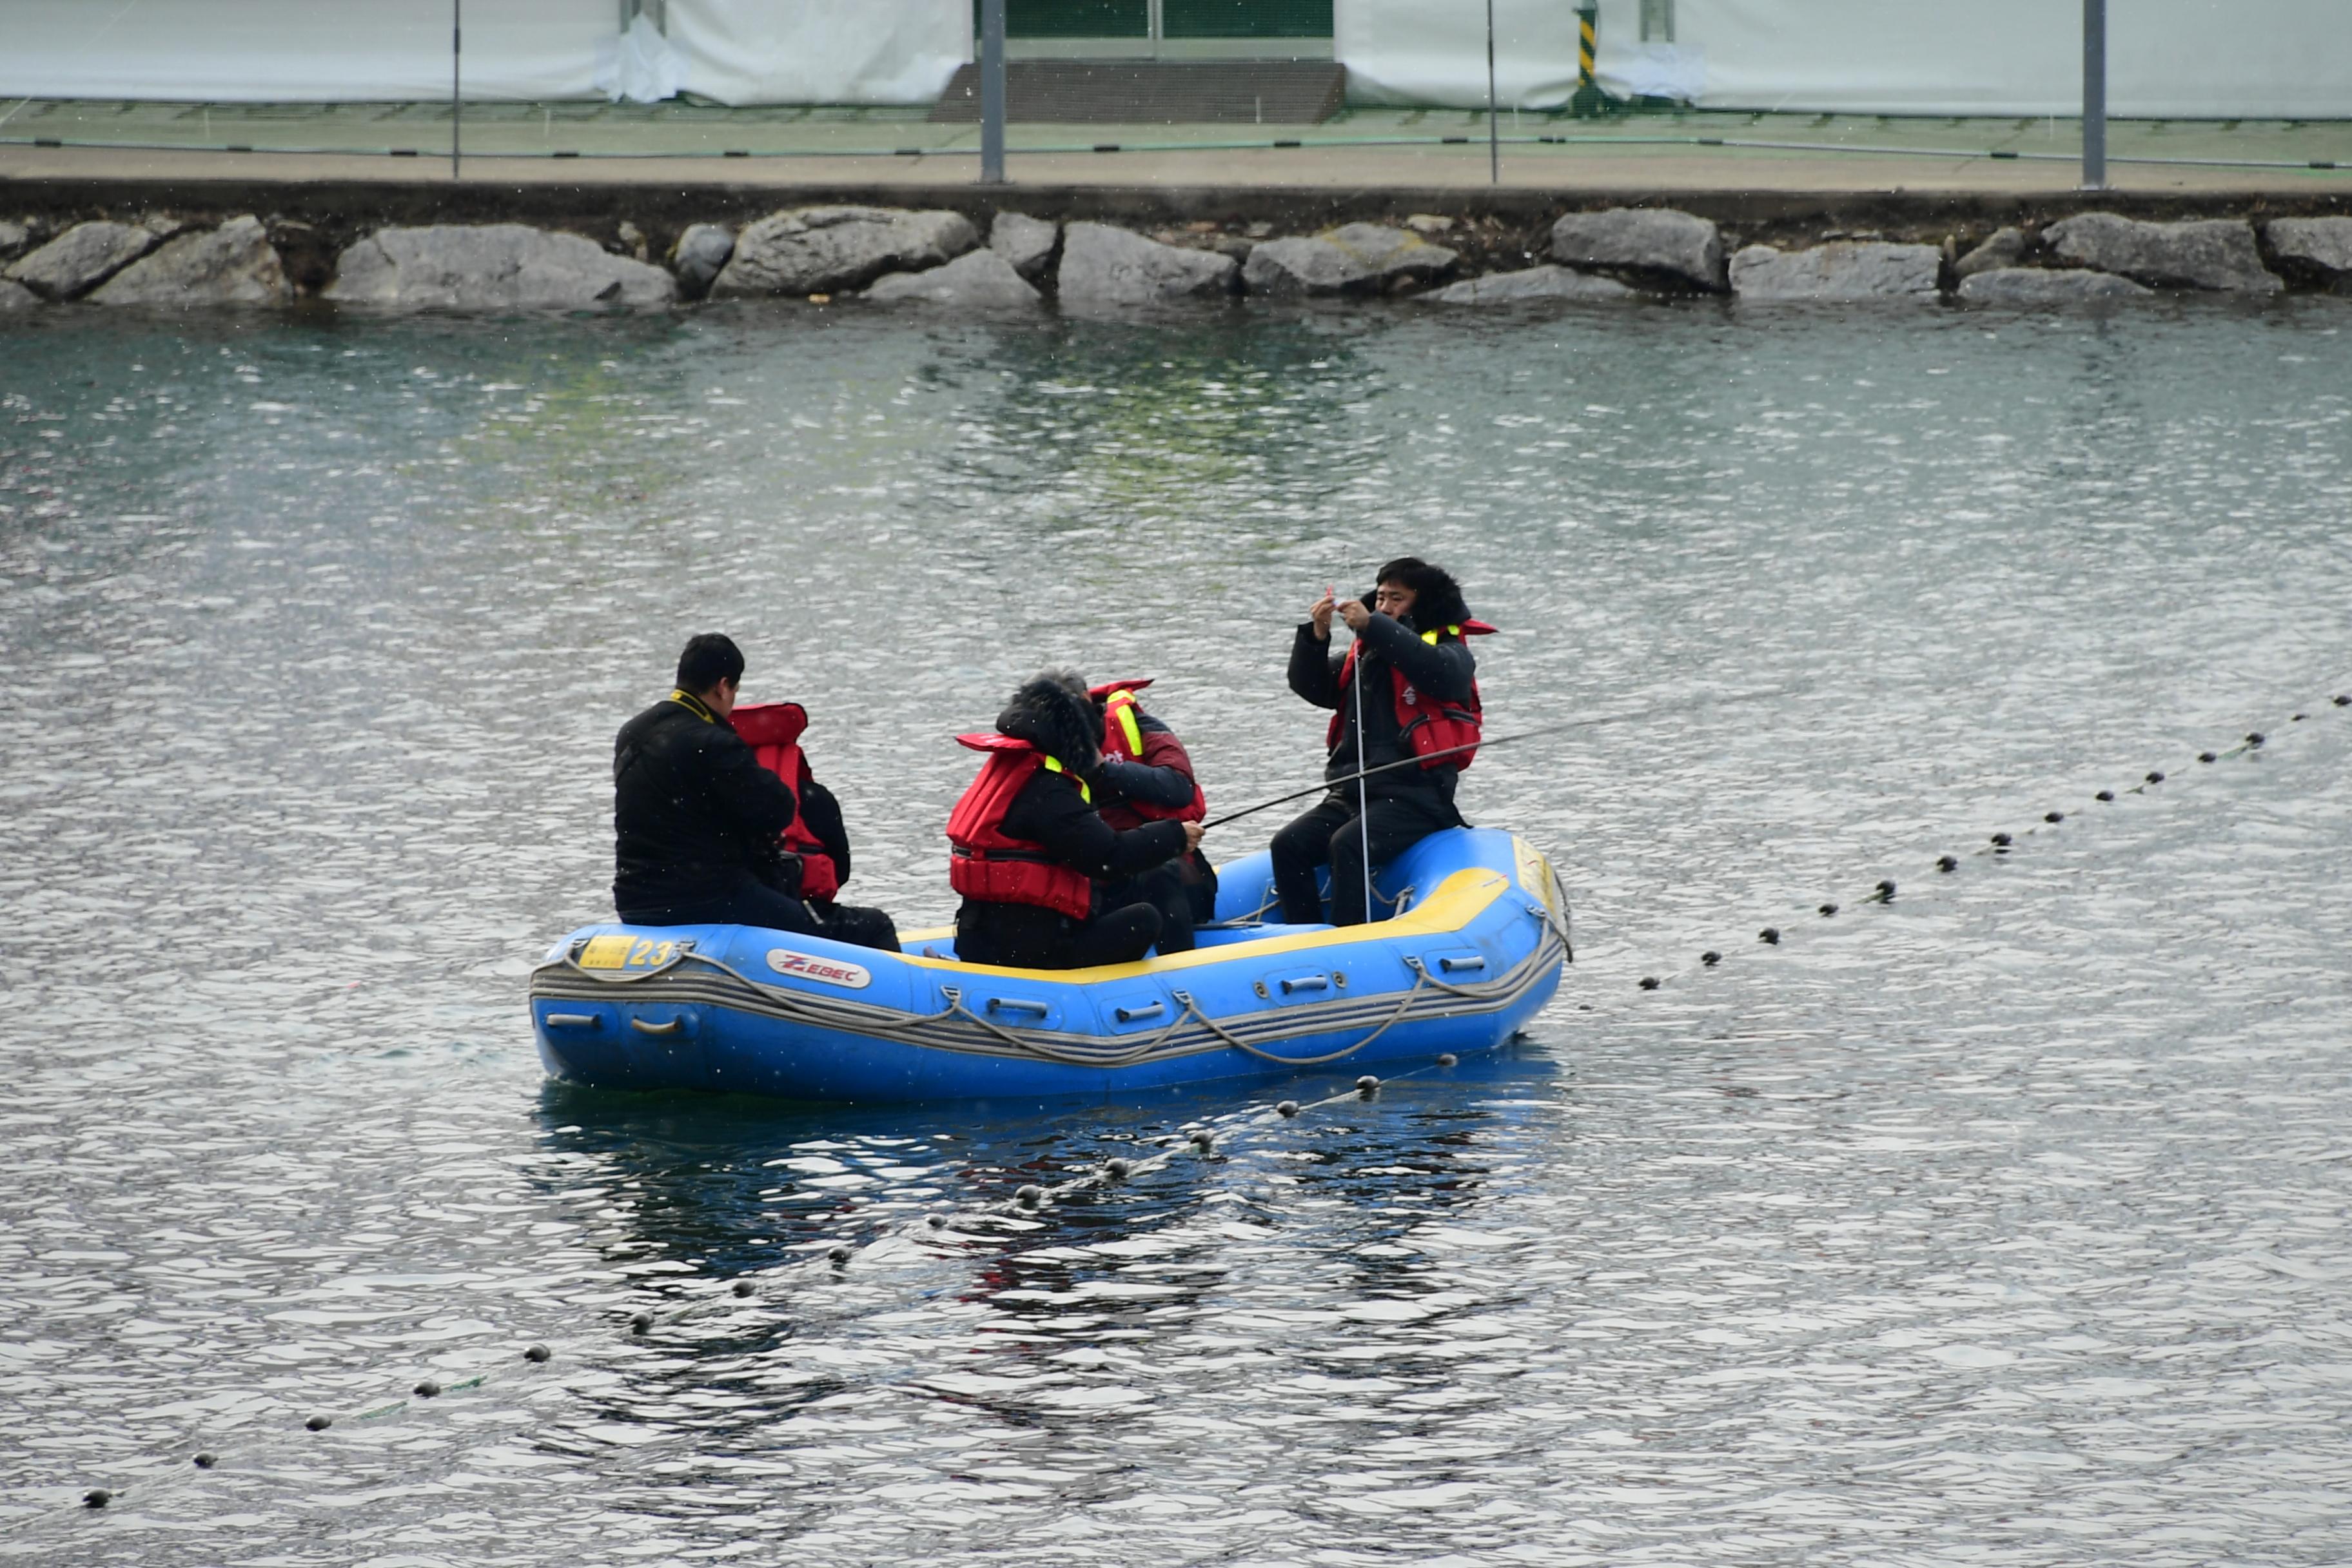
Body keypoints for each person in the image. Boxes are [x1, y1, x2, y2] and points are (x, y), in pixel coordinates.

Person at [612, 633, 899, 951]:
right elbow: (776, 810)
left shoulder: (632, 733)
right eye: (734, 689)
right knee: (873, 926)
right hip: (708, 901)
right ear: (723, 686)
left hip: (635, 903)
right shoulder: (712, 742)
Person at [1271, 557, 1493, 926]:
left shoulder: (1450, 651)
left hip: (1417, 799)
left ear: (1421, 604)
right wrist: (1317, 635)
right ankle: (1303, 937)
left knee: (1348, 845)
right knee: (1287, 845)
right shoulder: (1365, 656)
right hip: (1352, 794)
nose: (1385, 607)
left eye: (1397, 599)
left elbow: (1441, 676)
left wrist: (1374, 626)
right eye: (1380, 598)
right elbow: (1312, 688)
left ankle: (1350, 940)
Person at [948, 671, 1207, 970]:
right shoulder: (1049, 790)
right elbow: (1108, 856)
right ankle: (1184, 981)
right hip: (1034, 952)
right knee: (1144, 918)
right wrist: (1174, 836)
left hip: (982, 939)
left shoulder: (1010, 770)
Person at [729, 700, 902, 953]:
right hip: (795, 915)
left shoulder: (712, 798)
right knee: (877, 924)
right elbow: (841, 870)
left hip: (726, 915)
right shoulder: (814, 797)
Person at [1087, 678, 1215, 954]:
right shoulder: (1046, 753)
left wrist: (1106, 771)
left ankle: (1181, 973)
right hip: (1103, 873)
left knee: (1158, 871)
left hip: (1165, 865)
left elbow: (1179, 787)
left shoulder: (1141, 726)